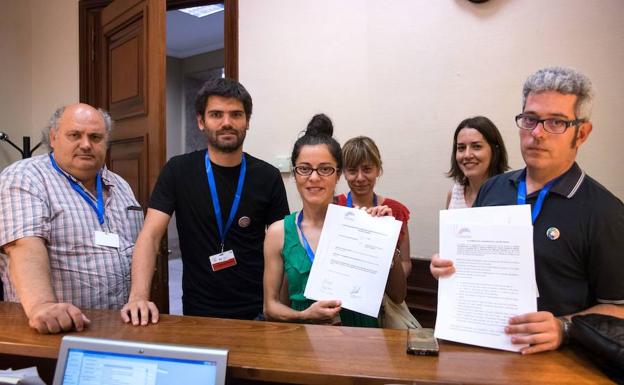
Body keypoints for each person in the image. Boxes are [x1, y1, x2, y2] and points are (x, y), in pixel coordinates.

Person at [431, 66, 624, 354]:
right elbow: (474, 268)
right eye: (530, 119)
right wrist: (448, 267)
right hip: (481, 351)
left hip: (558, 366)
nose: (538, 133)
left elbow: (619, 308)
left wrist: (565, 327)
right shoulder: (493, 189)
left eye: (556, 123)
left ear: (581, 134)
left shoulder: (605, 212)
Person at [122, 77, 289, 324]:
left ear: (247, 121)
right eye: (216, 114)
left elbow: (283, 245)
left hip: (257, 312)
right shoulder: (178, 171)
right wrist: (137, 297)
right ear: (201, 121)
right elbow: (150, 236)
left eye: (236, 114)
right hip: (197, 312)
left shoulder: (267, 176)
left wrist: (277, 307)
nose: (227, 123)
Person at [0, 103, 143, 334]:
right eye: (75, 135)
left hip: (119, 328)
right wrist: (42, 305)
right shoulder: (25, 177)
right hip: (57, 330)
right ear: (54, 137)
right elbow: (23, 245)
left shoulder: (120, 185)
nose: (86, 145)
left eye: (95, 137)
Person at [263, 114, 404, 327]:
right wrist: (304, 316)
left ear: (338, 175)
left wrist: (386, 240)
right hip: (304, 343)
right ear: (295, 173)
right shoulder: (278, 232)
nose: (314, 177)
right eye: (304, 168)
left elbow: (398, 295)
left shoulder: (362, 224)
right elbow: (270, 306)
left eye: (325, 169)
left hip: (362, 339)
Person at [335, 136, 412, 277]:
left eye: (367, 169)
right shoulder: (334, 207)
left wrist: (384, 281)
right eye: (352, 170)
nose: (360, 178)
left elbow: (406, 262)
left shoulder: (396, 211)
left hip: (383, 294)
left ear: (378, 169)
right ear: (343, 173)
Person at [446, 116, 509, 208]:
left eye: (476, 146)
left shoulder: (510, 194)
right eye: (461, 148)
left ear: (495, 150)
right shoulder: (453, 196)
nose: (467, 155)